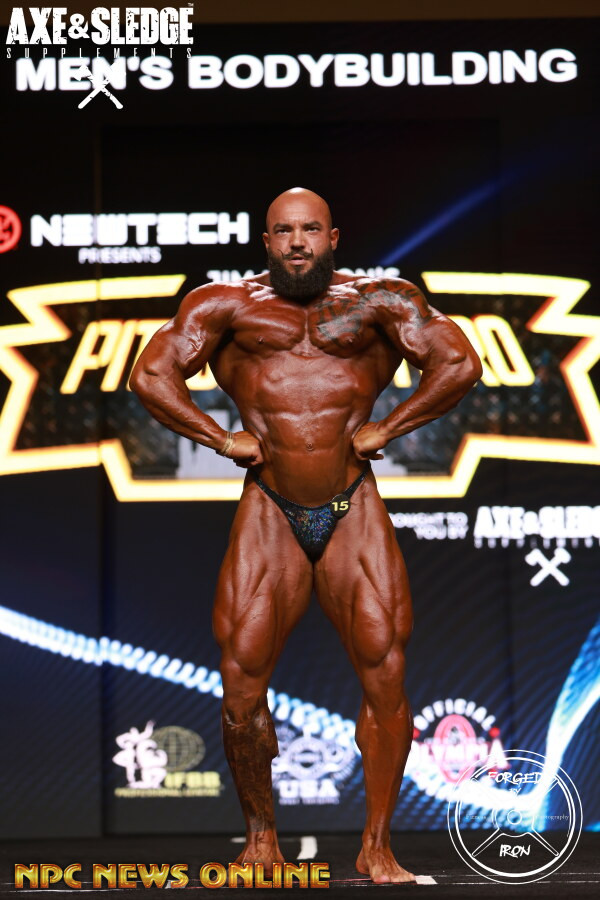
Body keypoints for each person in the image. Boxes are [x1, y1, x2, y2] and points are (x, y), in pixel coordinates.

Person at [130, 187, 482, 884]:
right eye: (285, 231)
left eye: (311, 229)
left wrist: (391, 426)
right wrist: (218, 437)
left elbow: (460, 363)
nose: (298, 242)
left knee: (385, 669)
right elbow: (150, 374)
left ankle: (377, 846)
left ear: (333, 237)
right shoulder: (225, 305)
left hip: (353, 505)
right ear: (267, 240)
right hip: (269, 507)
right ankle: (261, 841)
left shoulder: (381, 301)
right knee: (241, 680)